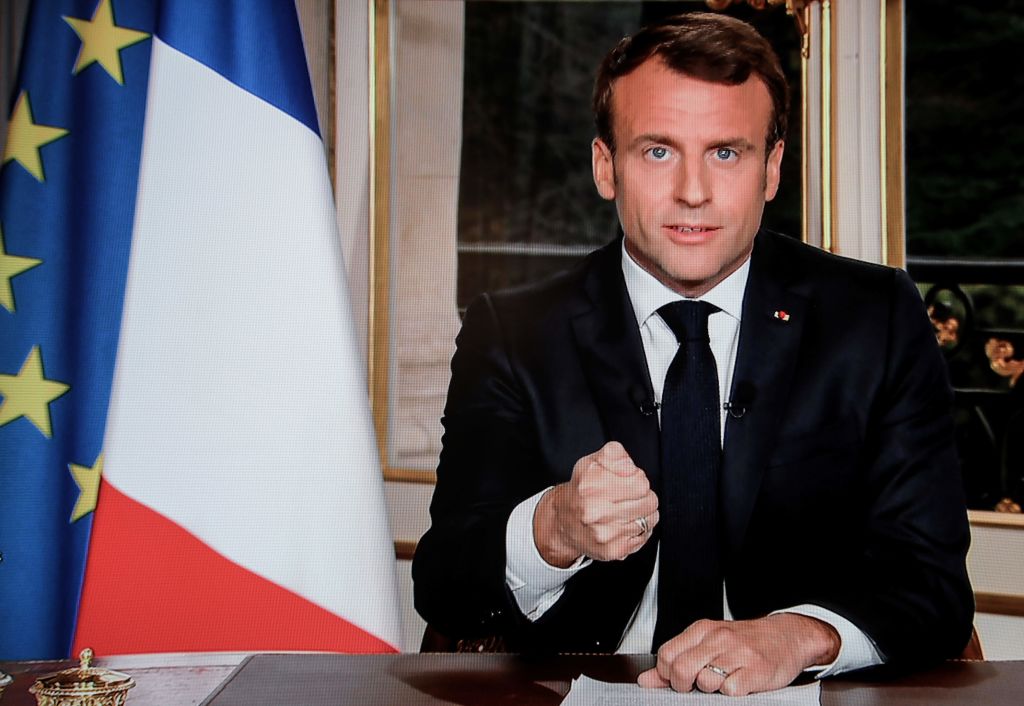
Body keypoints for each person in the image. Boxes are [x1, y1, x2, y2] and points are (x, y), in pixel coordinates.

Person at [412, 12, 973, 696]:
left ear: (771, 170)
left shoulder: (875, 317)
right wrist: (551, 527)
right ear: (605, 167)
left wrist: (799, 633)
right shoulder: (514, 329)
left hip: (793, 696)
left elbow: (934, 587)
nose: (694, 192)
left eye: (726, 152)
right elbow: (444, 586)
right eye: (657, 151)